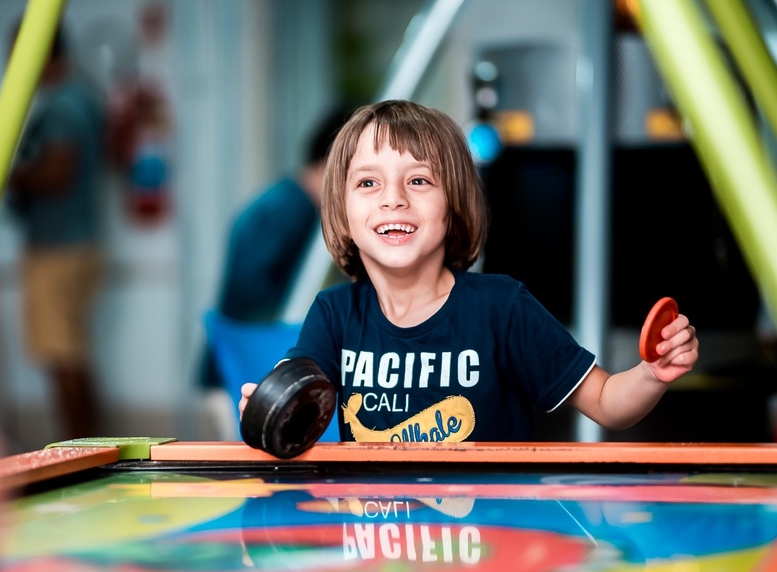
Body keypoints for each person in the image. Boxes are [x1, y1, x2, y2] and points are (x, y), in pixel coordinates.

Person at [239, 100, 699, 441]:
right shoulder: (334, 314)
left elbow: (604, 402)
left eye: (418, 180)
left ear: (454, 205)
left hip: (494, 552)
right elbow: (292, 404)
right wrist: (263, 409)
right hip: (374, 563)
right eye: (368, 182)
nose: (393, 198)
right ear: (341, 209)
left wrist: (650, 374)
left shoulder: (503, 307)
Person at [201, 105, 353, 389]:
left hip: (243, 365)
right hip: (240, 373)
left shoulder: (292, 204)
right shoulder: (286, 212)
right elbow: (251, 299)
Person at [6, 21, 106, 440]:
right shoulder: (81, 99)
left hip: (58, 249)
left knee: (63, 359)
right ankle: (87, 447)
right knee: (72, 356)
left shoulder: (64, 106)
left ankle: (76, 452)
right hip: (75, 245)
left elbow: (58, 172)